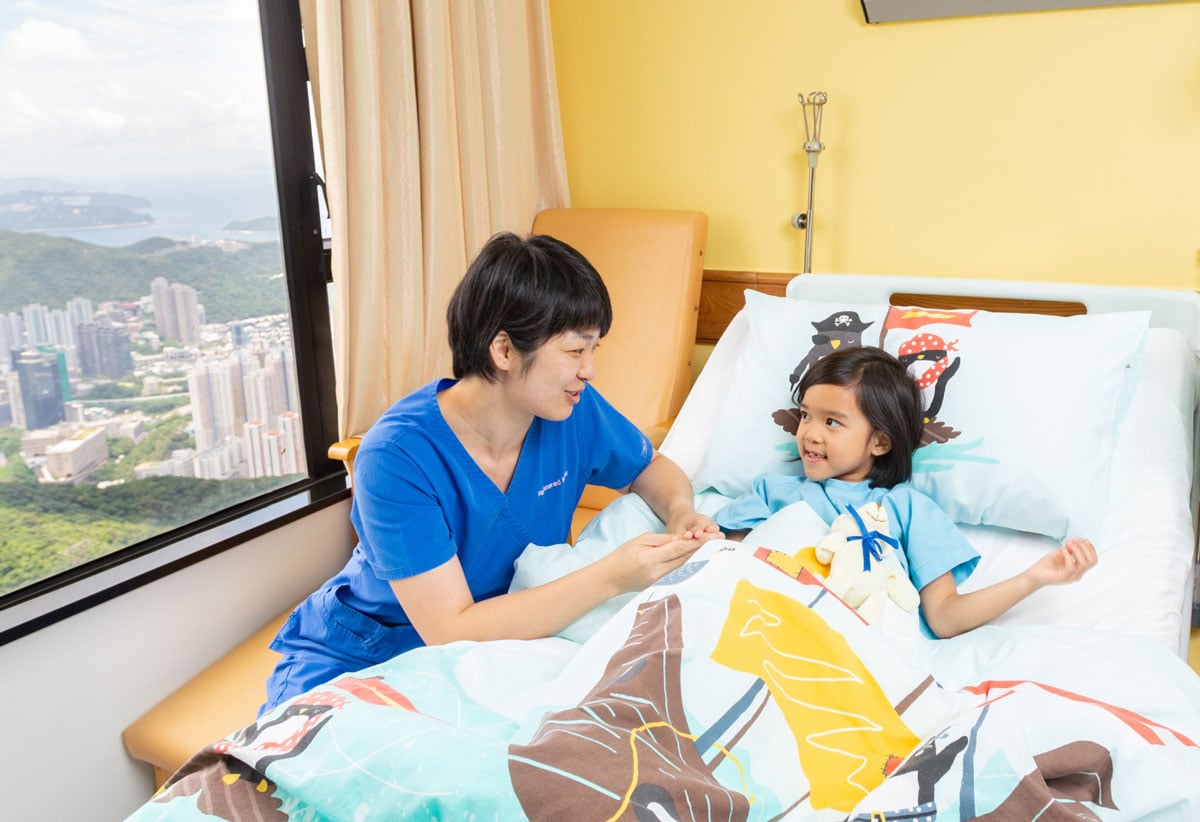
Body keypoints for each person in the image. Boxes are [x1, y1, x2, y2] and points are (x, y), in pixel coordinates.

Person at [261, 232, 721, 713]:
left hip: (501, 644)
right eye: (574, 351)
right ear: (504, 350)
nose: (590, 371)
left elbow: (649, 466)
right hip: (370, 649)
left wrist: (679, 510)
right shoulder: (397, 455)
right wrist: (612, 576)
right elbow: (450, 630)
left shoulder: (571, 412)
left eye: (594, 349)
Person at [714, 345, 1097, 638]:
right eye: (806, 415)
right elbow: (720, 563)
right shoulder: (772, 492)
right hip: (758, 624)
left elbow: (945, 617)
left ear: (880, 442)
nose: (810, 433)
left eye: (832, 422)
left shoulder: (906, 509)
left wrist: (1032, 578)